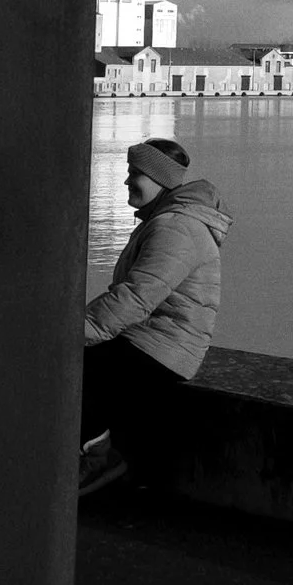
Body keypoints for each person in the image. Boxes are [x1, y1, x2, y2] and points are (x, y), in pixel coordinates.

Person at [79, 136, 230, 495]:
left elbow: (135, 297)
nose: (127, 180)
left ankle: (99, 457)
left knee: (76, 367)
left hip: (166, 346)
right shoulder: (165, 221)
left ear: (160, 180)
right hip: (154, 338)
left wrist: (76, 330)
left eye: (135, 174)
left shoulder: (175, 227)